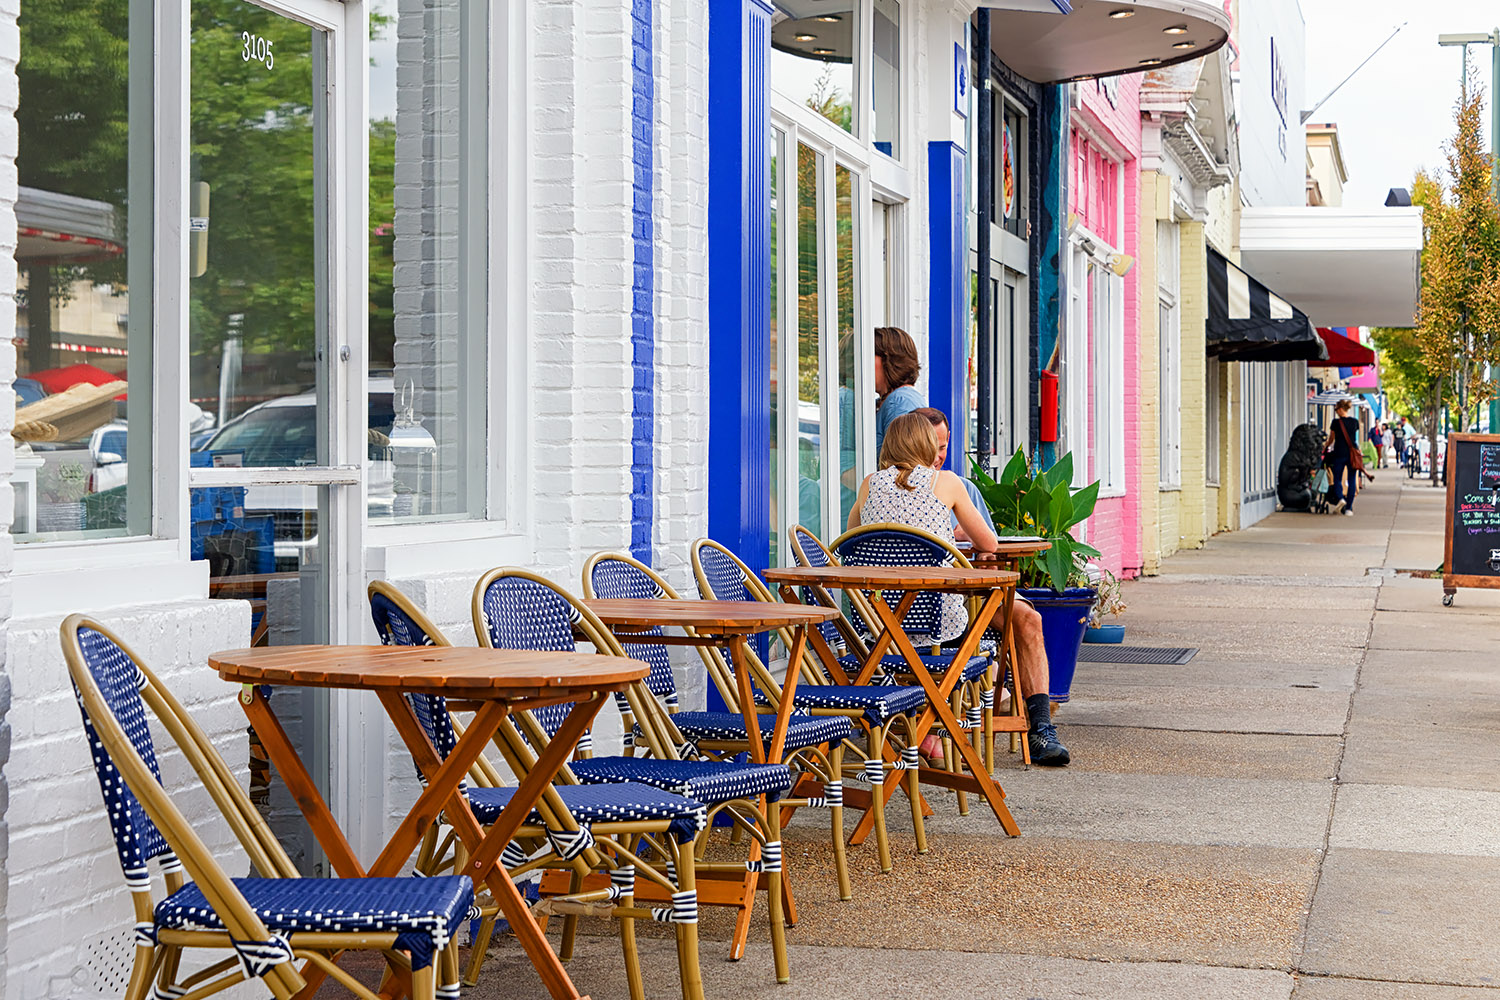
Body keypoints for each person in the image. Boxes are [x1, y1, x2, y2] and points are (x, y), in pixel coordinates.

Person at [848, 412, 1070, 766]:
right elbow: (989, 542)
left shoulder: (868, 484)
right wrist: (947, 537)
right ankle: (947, 728)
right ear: (923, 445)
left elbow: (854, 539)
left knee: (1023, 618)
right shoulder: (947, 482)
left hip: (881, 627)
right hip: (940, 626)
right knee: (1004, 620)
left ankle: (932, 729)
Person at [912, 406, 997, 538]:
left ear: (948, 438)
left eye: (941, 448)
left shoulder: (966, 488)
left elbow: (992, 546)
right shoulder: (891, 489)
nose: (935, 458)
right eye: (927, 449)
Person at [873, 327, 925, 456]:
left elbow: (901, 466)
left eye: (870, 355)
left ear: (888, 360)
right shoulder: (894, 399)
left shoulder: (900, 402)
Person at [1325, 398, 1363, 515]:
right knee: (1351, 480)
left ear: (1341, 409)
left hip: (1339, 454)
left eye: (1336, 409)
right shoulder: (1354, 422)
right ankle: (1349, 508)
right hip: (1352, 455)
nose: (1336, 411)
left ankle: (1341, 498)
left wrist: (1325, 446)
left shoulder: (1335, 423)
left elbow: (1332, 439)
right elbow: (1354, 438)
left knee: (1337, 478)